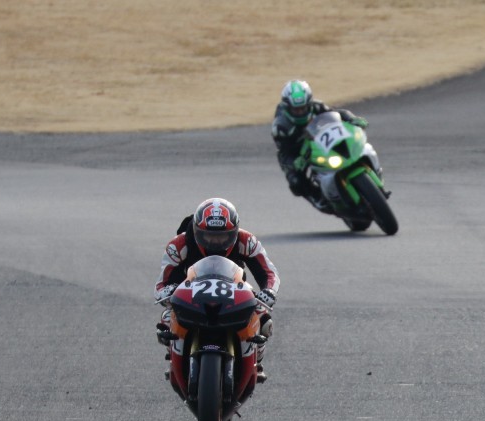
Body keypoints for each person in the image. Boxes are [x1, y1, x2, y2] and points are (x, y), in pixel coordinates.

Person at [155, 197, 280, 382]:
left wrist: (269, 291)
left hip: (235, 290)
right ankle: (175, 359)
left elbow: (269, 273)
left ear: (234, 231)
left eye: (223, 236)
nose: (215, 241)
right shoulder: (179, 244)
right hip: (190, 293)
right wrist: (166, 292)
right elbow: (162, 283)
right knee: (167, 318)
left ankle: (257, 363)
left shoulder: (246, 240)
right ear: (196, 231)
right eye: (208, 236)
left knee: (264, 319)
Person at [271, 79, 369, 213]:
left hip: (320, 139)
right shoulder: (281, 127)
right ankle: (317, 197)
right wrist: (294, 163)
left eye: (304, 108)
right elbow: (284, 153)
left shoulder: (317, 106)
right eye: (296, 110)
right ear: (287, 107)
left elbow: (336, 114)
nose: (301, 112)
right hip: (296, 152)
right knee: (296, 182)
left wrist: (352, 118)